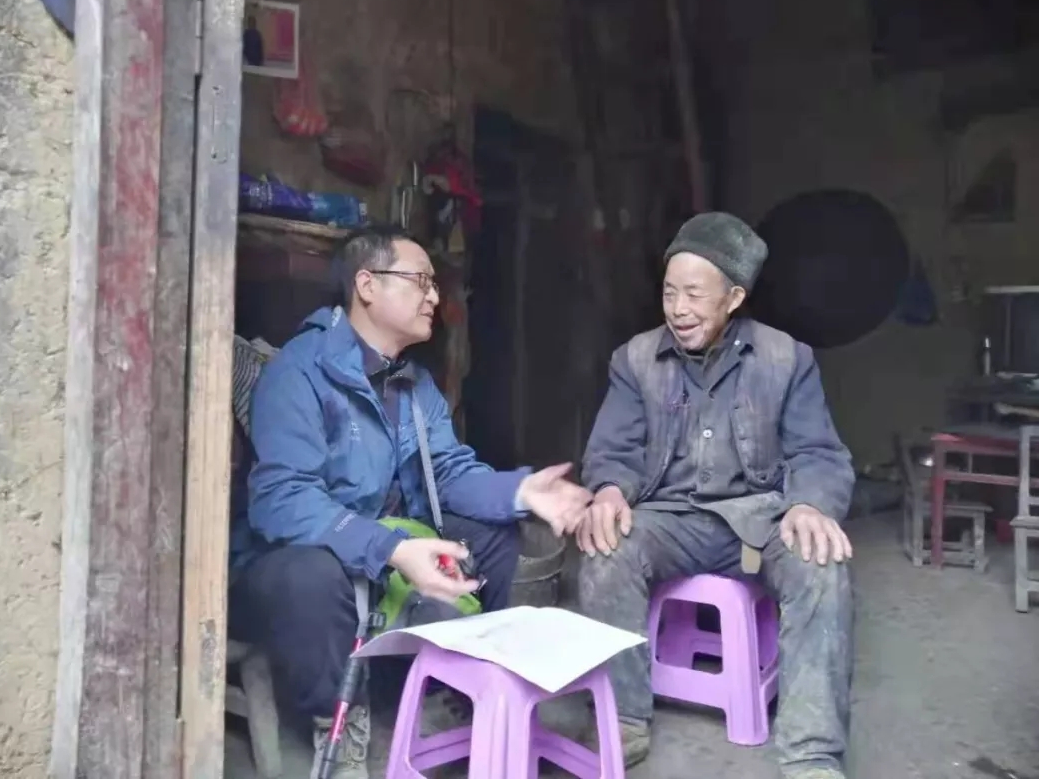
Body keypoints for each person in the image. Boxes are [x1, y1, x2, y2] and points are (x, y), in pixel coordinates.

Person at [228, 225, 591, 779]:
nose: (434, 296)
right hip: (295, 556)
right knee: (309, 577)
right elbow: (282, 501)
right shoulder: (299, 373)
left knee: (495, 533)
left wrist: (519, 491)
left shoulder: (413, 384)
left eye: (434, 284)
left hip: (380, 543)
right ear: (367, 285)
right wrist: (391, 549)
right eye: (420, 281)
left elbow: (447, 472)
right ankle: (336, 722)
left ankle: (455, 684)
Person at [577, 212, 855, 779]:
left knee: (821, 563)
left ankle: (811, 753)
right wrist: (607, 490)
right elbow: (613, 450)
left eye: (694, 294)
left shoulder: (787, 359)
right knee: (606, 547)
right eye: (669, 292)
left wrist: (809, 503)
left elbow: (819, 452)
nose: (678, 309)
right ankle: (623, 719)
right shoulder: (634, 360)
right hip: (669, 520)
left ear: (733, 298)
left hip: (760, 520)